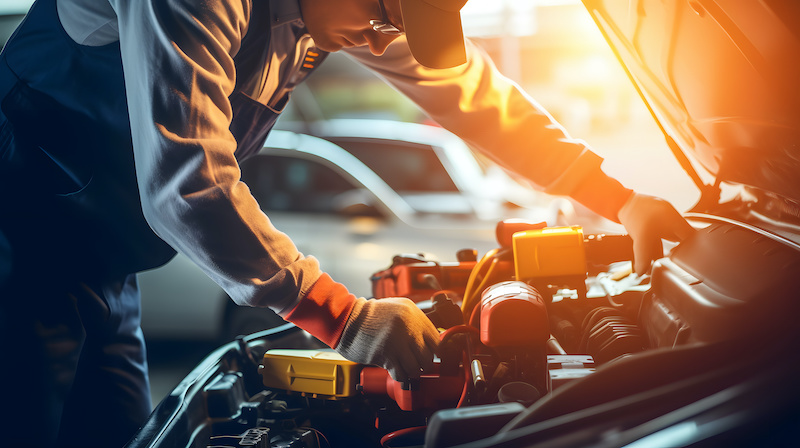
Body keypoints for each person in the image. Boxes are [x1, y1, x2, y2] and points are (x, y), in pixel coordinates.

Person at [0, 0, 693, 446]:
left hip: (102, 270)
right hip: (15, 252)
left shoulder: (348, 8)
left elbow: (468, 94)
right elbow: (187, 183)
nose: (383, 33)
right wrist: (343, 317)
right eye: (383, 13)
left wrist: (619, 199)